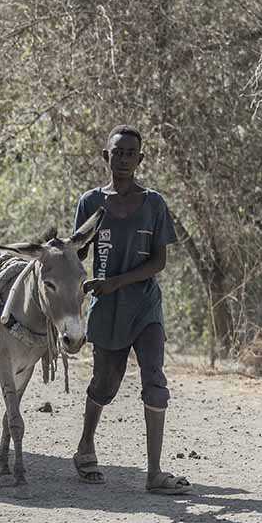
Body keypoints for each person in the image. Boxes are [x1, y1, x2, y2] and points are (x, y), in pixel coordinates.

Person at [72, 125, 190, 494]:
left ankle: (154, 474)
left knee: (154, 380)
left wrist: (117, 283)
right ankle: (85, 446)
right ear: (104, 156)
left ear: (141, 159)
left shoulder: (154, 204)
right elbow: (77, 254)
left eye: (130, 153)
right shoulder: (90, 203)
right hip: (106, 311)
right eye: (116, 152)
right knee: (105, 384)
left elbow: (158, 262)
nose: (123, 159)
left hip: (145, 309)